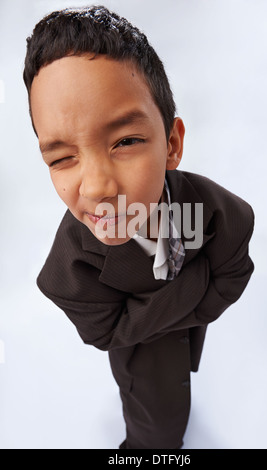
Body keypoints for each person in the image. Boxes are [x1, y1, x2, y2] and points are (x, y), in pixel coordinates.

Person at [23, 5, 255, 449]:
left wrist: (172, 312)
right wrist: (194, 285)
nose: (96, 187)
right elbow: (106, 332)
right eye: (61, 157)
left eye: (125, 141)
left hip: (184, 343)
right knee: (155, 430)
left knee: (178, 400)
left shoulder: (212, 208)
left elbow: (235, 270)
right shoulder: (67, 269)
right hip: (139, 366)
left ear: (171, 144)